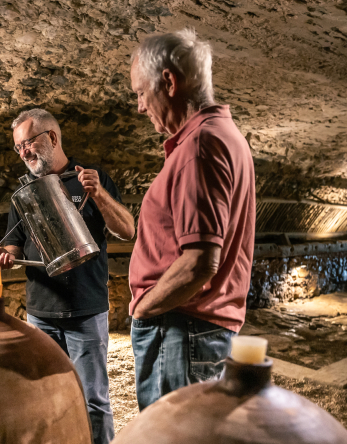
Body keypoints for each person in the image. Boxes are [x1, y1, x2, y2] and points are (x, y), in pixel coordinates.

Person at [0, 108, 135, 444]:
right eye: (18, 148)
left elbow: (127, 230)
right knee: (44, 396)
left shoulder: (89, 179)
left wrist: (98, 194)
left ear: (52, 137)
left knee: (93, 401)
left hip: (86, 310)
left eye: (28, 143)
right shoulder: (23, 193)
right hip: (41, 313)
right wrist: (5, 254)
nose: (23, 152)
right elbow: (15, 242)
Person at [128, 29, 256, 411]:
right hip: (194, 334)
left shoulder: (199, 146)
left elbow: (200, 260)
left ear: (168, 81)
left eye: (139, 92)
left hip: (180, 333)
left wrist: (145, 308)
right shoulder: (224, 137)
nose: (139, 106)